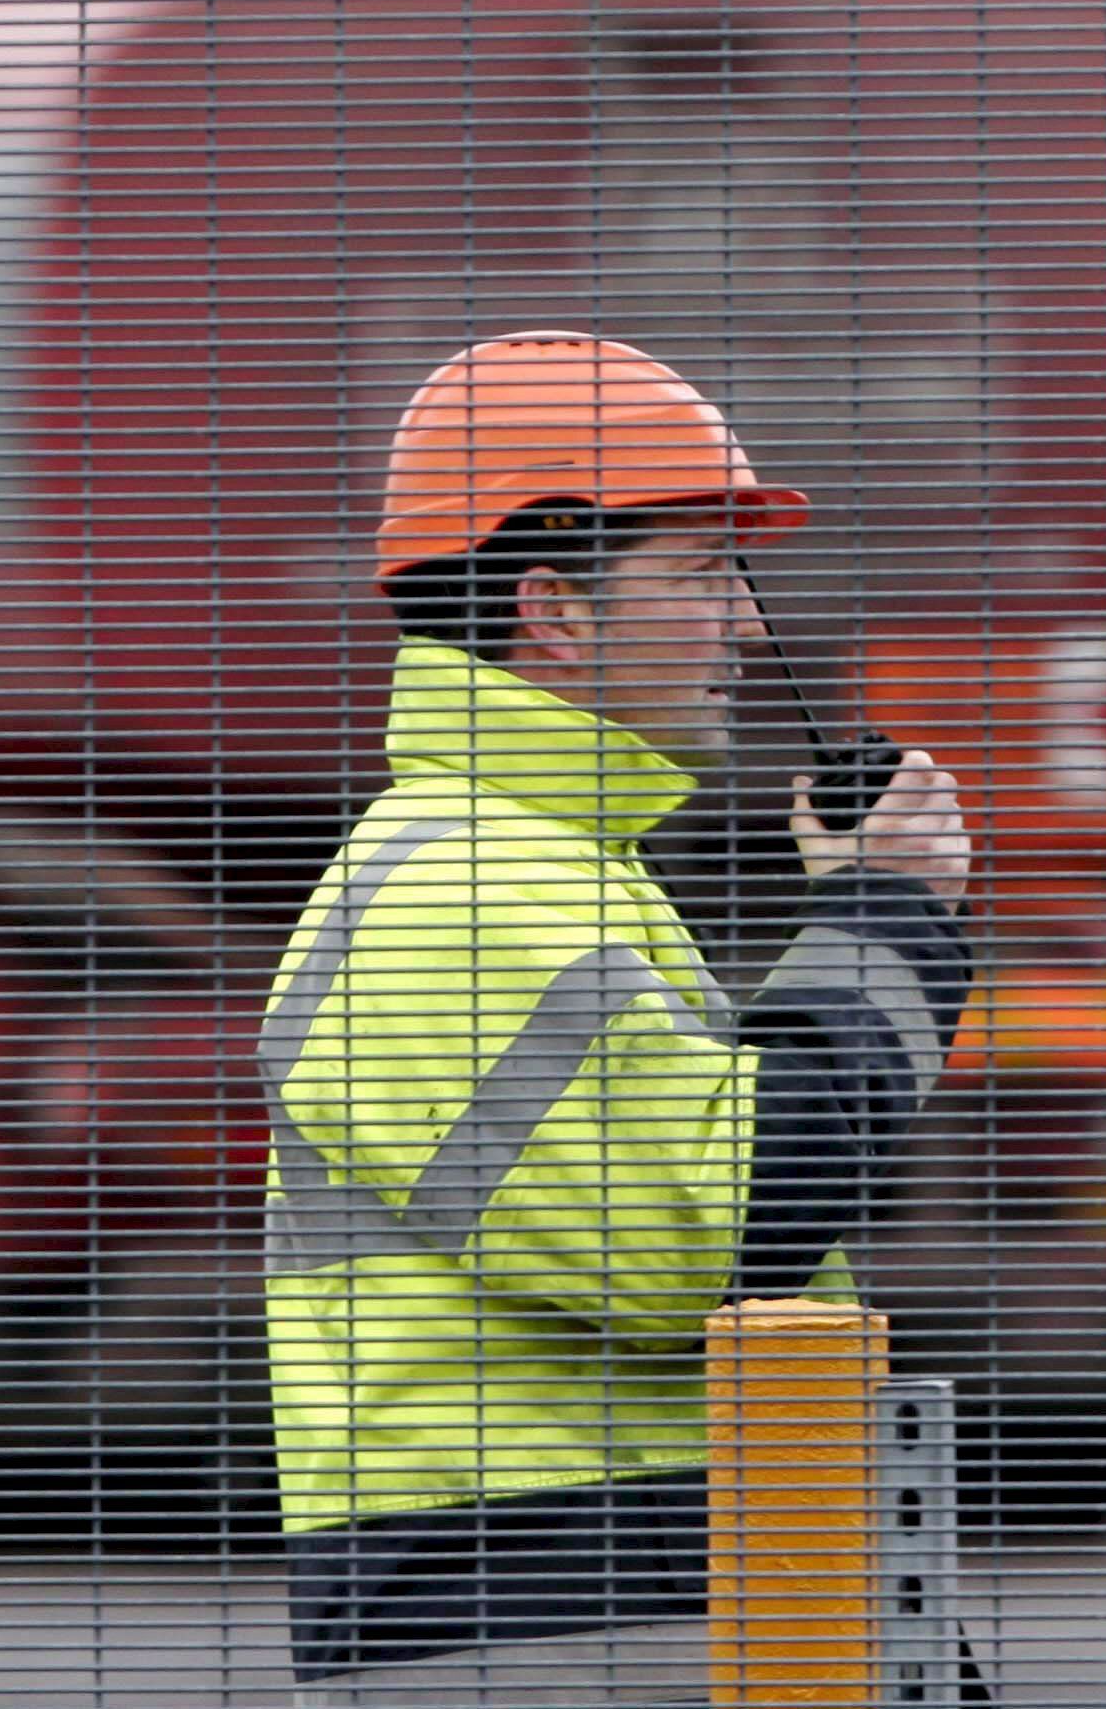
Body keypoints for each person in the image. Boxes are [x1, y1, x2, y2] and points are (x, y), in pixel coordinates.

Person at [260, 331, 977, 1707]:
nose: (752, 626)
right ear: (557, 610)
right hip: (549, 1629)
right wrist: (882, 920)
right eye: (703, 576)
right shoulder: (467, 894)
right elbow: (710, 1232)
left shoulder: (553, 868)